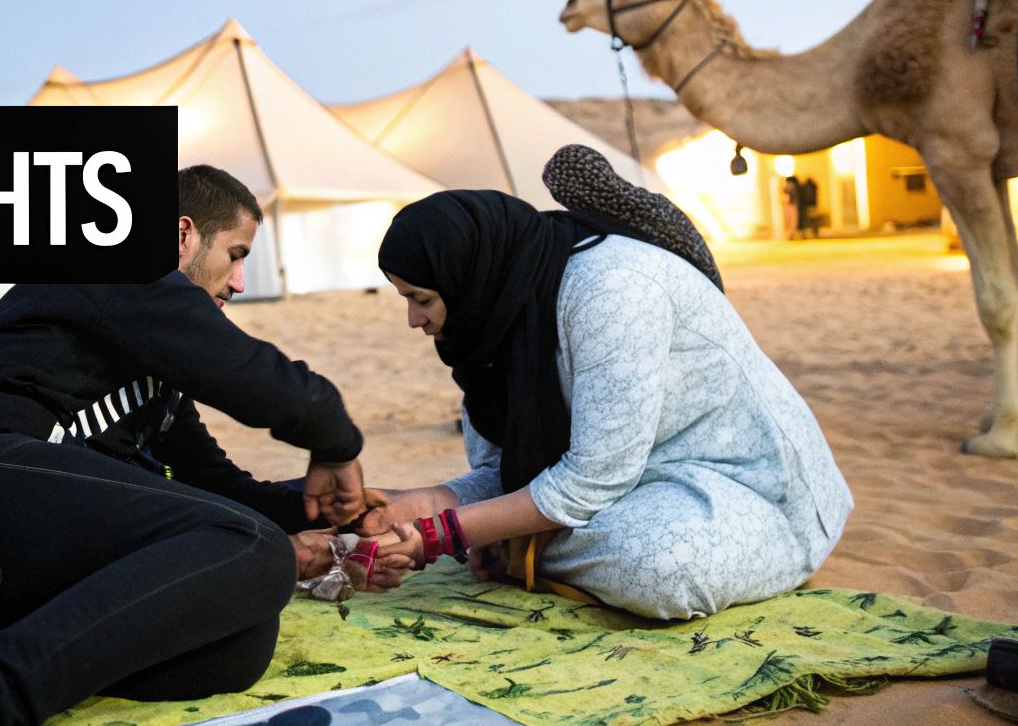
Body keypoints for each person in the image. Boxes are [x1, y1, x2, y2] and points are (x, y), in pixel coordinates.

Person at [0, 165, 391, 726]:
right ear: (181, 236)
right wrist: (335, 445)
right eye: (234, 254)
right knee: (256, 550)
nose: (239, 280)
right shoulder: (112, 261)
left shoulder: (156, 374)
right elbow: (253, 378)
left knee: (235, 645)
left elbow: (217, 486)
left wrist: (331, 510)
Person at [361, 188, 852, 621]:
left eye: (421, 298)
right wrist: (426, 503)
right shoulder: (489, 329)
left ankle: (519, 547)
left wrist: (447, 534)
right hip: (633, 489)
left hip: (745, 491)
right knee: (508, 525)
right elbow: (506, 474)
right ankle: (516, 542)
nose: (413, 320)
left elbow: (590, 481)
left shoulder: (610, 290)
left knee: (661, 566)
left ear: (468, 275)